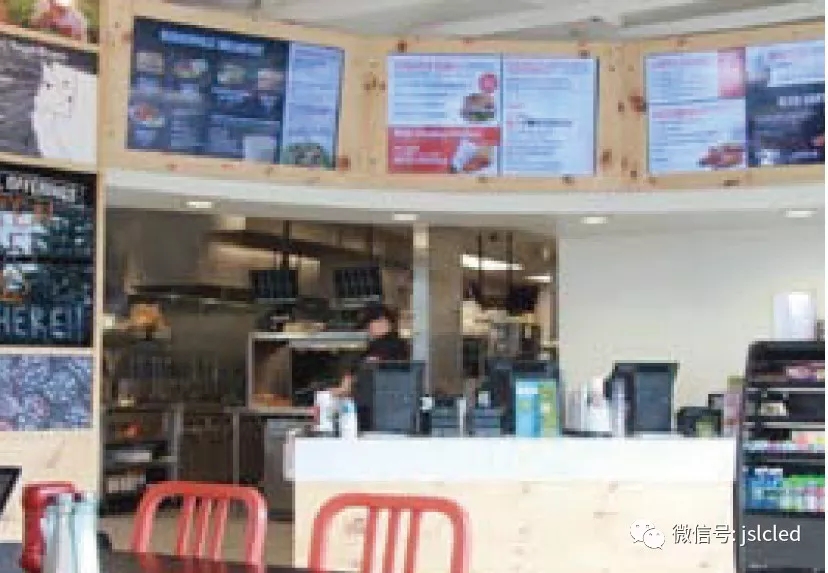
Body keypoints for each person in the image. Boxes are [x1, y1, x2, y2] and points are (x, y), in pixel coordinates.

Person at [333, 305, 408, 397]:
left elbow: (369, 365)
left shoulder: (391, 345)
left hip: (380, 396)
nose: (368, 330)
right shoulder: (382, 343)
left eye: (368, 325)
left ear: (382, 321)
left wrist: (348, 382)